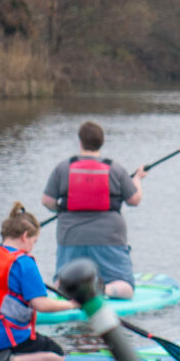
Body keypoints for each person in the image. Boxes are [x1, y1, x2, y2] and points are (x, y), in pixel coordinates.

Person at [0, 204, 76, 361]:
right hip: (5, 336)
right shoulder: (24, 262)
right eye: (34, 241)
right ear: (25, 237)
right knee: (57, 356)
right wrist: (72, 305)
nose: (32, 247)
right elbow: (41, 305)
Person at [40, 120, 144, 297]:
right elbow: (134, 200)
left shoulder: (63, 167)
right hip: (109, 236)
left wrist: (61, 211)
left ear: (80, 142)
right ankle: (106, 290)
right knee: (125, 285)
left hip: (71, 235)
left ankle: (66, 288)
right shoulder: (115, 168)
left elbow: (47, 201)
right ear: (101, 142)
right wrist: (138, 180)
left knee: (62, 283)